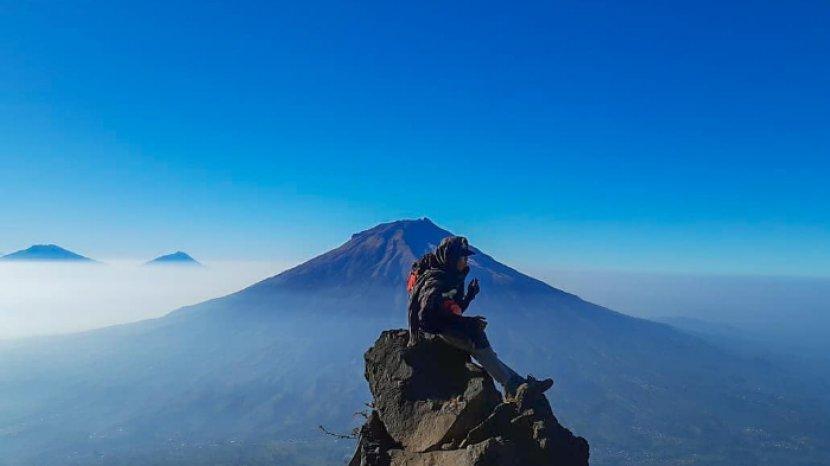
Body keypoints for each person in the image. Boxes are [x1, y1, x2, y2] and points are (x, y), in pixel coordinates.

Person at [406, 235, 553, 397]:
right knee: (478, 342)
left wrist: (469, 296)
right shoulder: (437, 281)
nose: (465, 261)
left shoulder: (451, 276)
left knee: (483, 349)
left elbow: (453, 309)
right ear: (451, 257)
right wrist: (465, 323)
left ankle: (520, 385)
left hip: (444, 327)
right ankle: (514, 387)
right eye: (462, 257)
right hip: (435, 331)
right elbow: (427, 318)